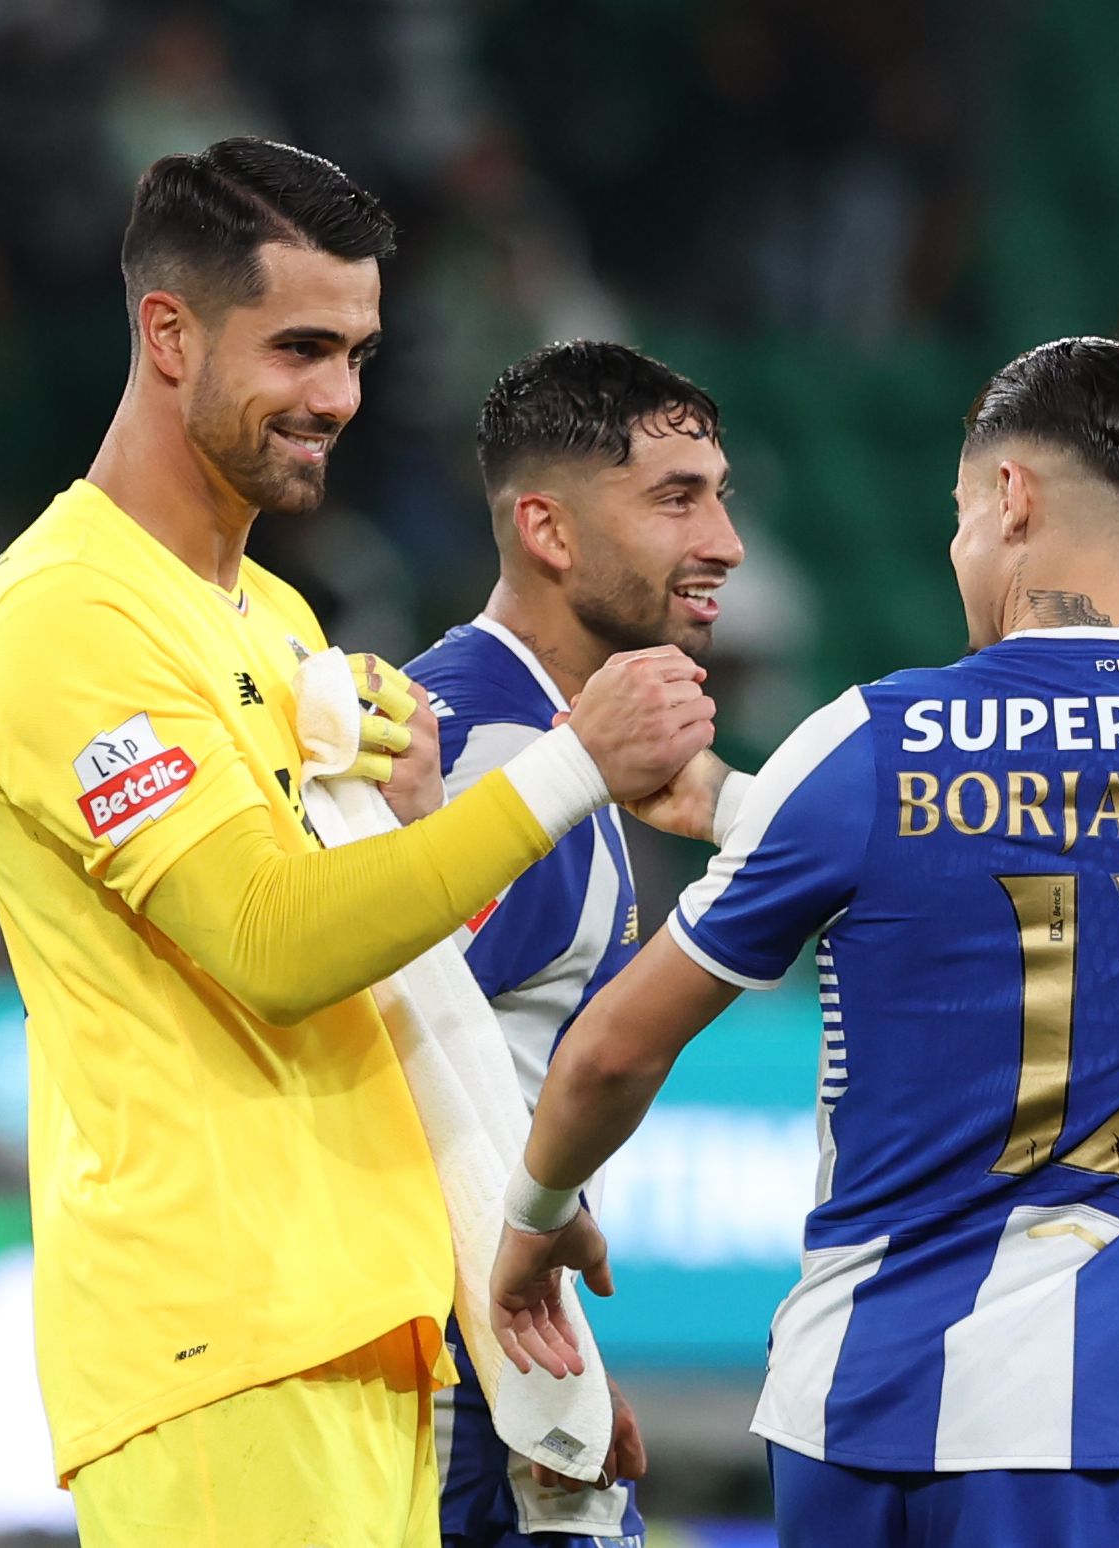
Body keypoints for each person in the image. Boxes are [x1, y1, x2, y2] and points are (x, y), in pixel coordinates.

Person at [0, 137, 714, 1543]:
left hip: (365, 1329)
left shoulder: (279, 625)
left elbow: (391, 993)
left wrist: (513, 1227)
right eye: (300, 347)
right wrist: (563, 773)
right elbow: (269, 944)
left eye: (358, 353)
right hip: (215, 1343)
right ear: (166, 333)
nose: (338, 398)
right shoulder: (67, 620)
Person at [493, 336, 1119, 1547]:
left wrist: (535, 1224)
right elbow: (1083, 863)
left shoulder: (868, 744)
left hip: (862, 1415)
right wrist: (749, 808)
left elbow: (609, 1056)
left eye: (958, 514)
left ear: (1009, 497)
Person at [403, 339, 746, 1546]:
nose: (723, 542)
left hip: (493, 1364)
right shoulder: (495, 760)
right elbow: (379, 1081)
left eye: (720, 496)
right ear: (547, 531)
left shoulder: (527, 737)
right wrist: (516, 1390)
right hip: (448, 1394)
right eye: (675, 500)